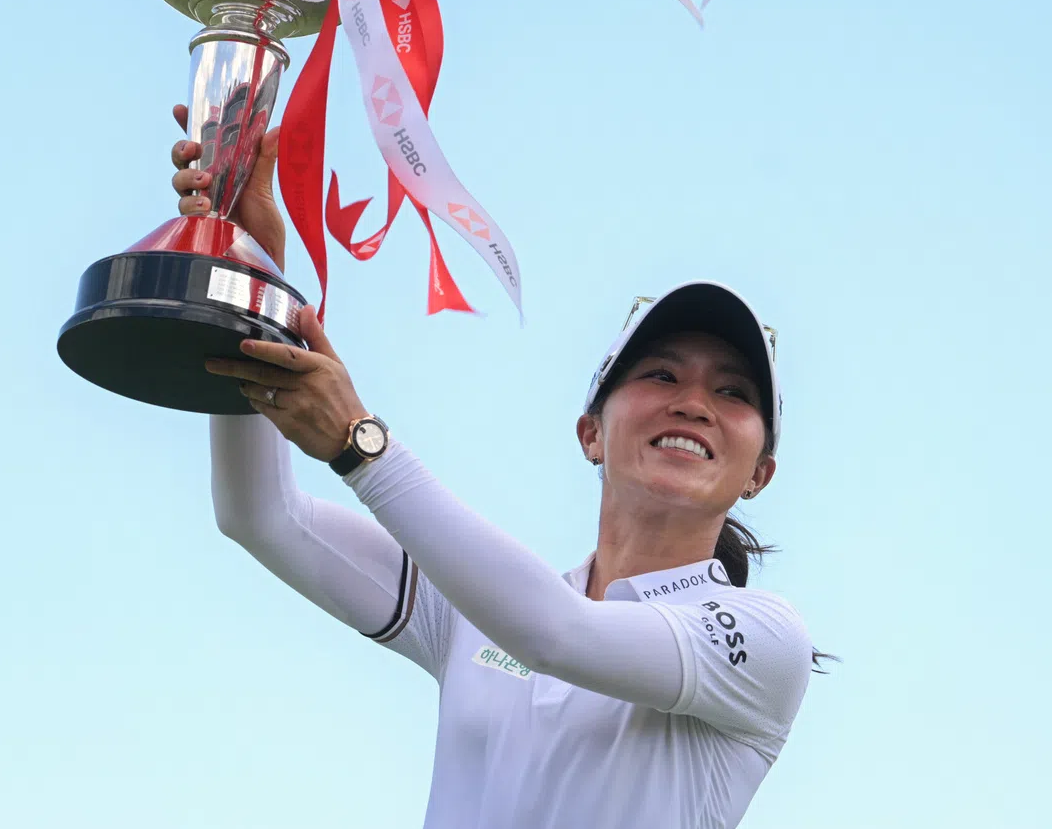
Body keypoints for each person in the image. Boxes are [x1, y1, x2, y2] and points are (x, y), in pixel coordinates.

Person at [171, 107, 817, 829]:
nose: (694, 404)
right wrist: (251, 286)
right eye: (661, 375)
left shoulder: (764, 638)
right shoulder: (477, 612)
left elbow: (555, 634)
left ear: (759, 475)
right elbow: (261, 516)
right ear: (591, 434)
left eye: (733, 393)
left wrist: (362, 446)